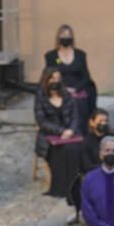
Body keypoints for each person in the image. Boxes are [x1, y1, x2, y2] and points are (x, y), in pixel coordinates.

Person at [68, 109, 114, 226]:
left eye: (106, 121)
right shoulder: (86, 142)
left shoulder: (112, 139)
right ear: (92, 122)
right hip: (94, 175)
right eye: (100, 121)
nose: (104, 123)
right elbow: (86, 166)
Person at [34, 67, 82, 198]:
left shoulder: (66, 95)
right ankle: (60, 188)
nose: (56, 81)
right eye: (53, 78)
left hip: (70, 134)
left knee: (74, 150)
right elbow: (41, 121)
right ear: (46, 80)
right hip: (49, 135)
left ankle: (74, 185)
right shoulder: (40, 97)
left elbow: (75, 116)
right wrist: (61, 131)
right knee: (59, 152)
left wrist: (71, 130)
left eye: (58, 78)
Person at [43, 24, 95, 134]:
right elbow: (48, 76)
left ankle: (82, 134)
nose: (66, 38)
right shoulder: (51, 56)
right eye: (63, 35)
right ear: (58, 37)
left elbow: (86, 76)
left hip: (78, 89)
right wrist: (63, 89)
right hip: (59, 89)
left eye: (68, 35)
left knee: (79, 103)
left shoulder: (80, 55)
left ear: (72, 37)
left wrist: (75, 89)